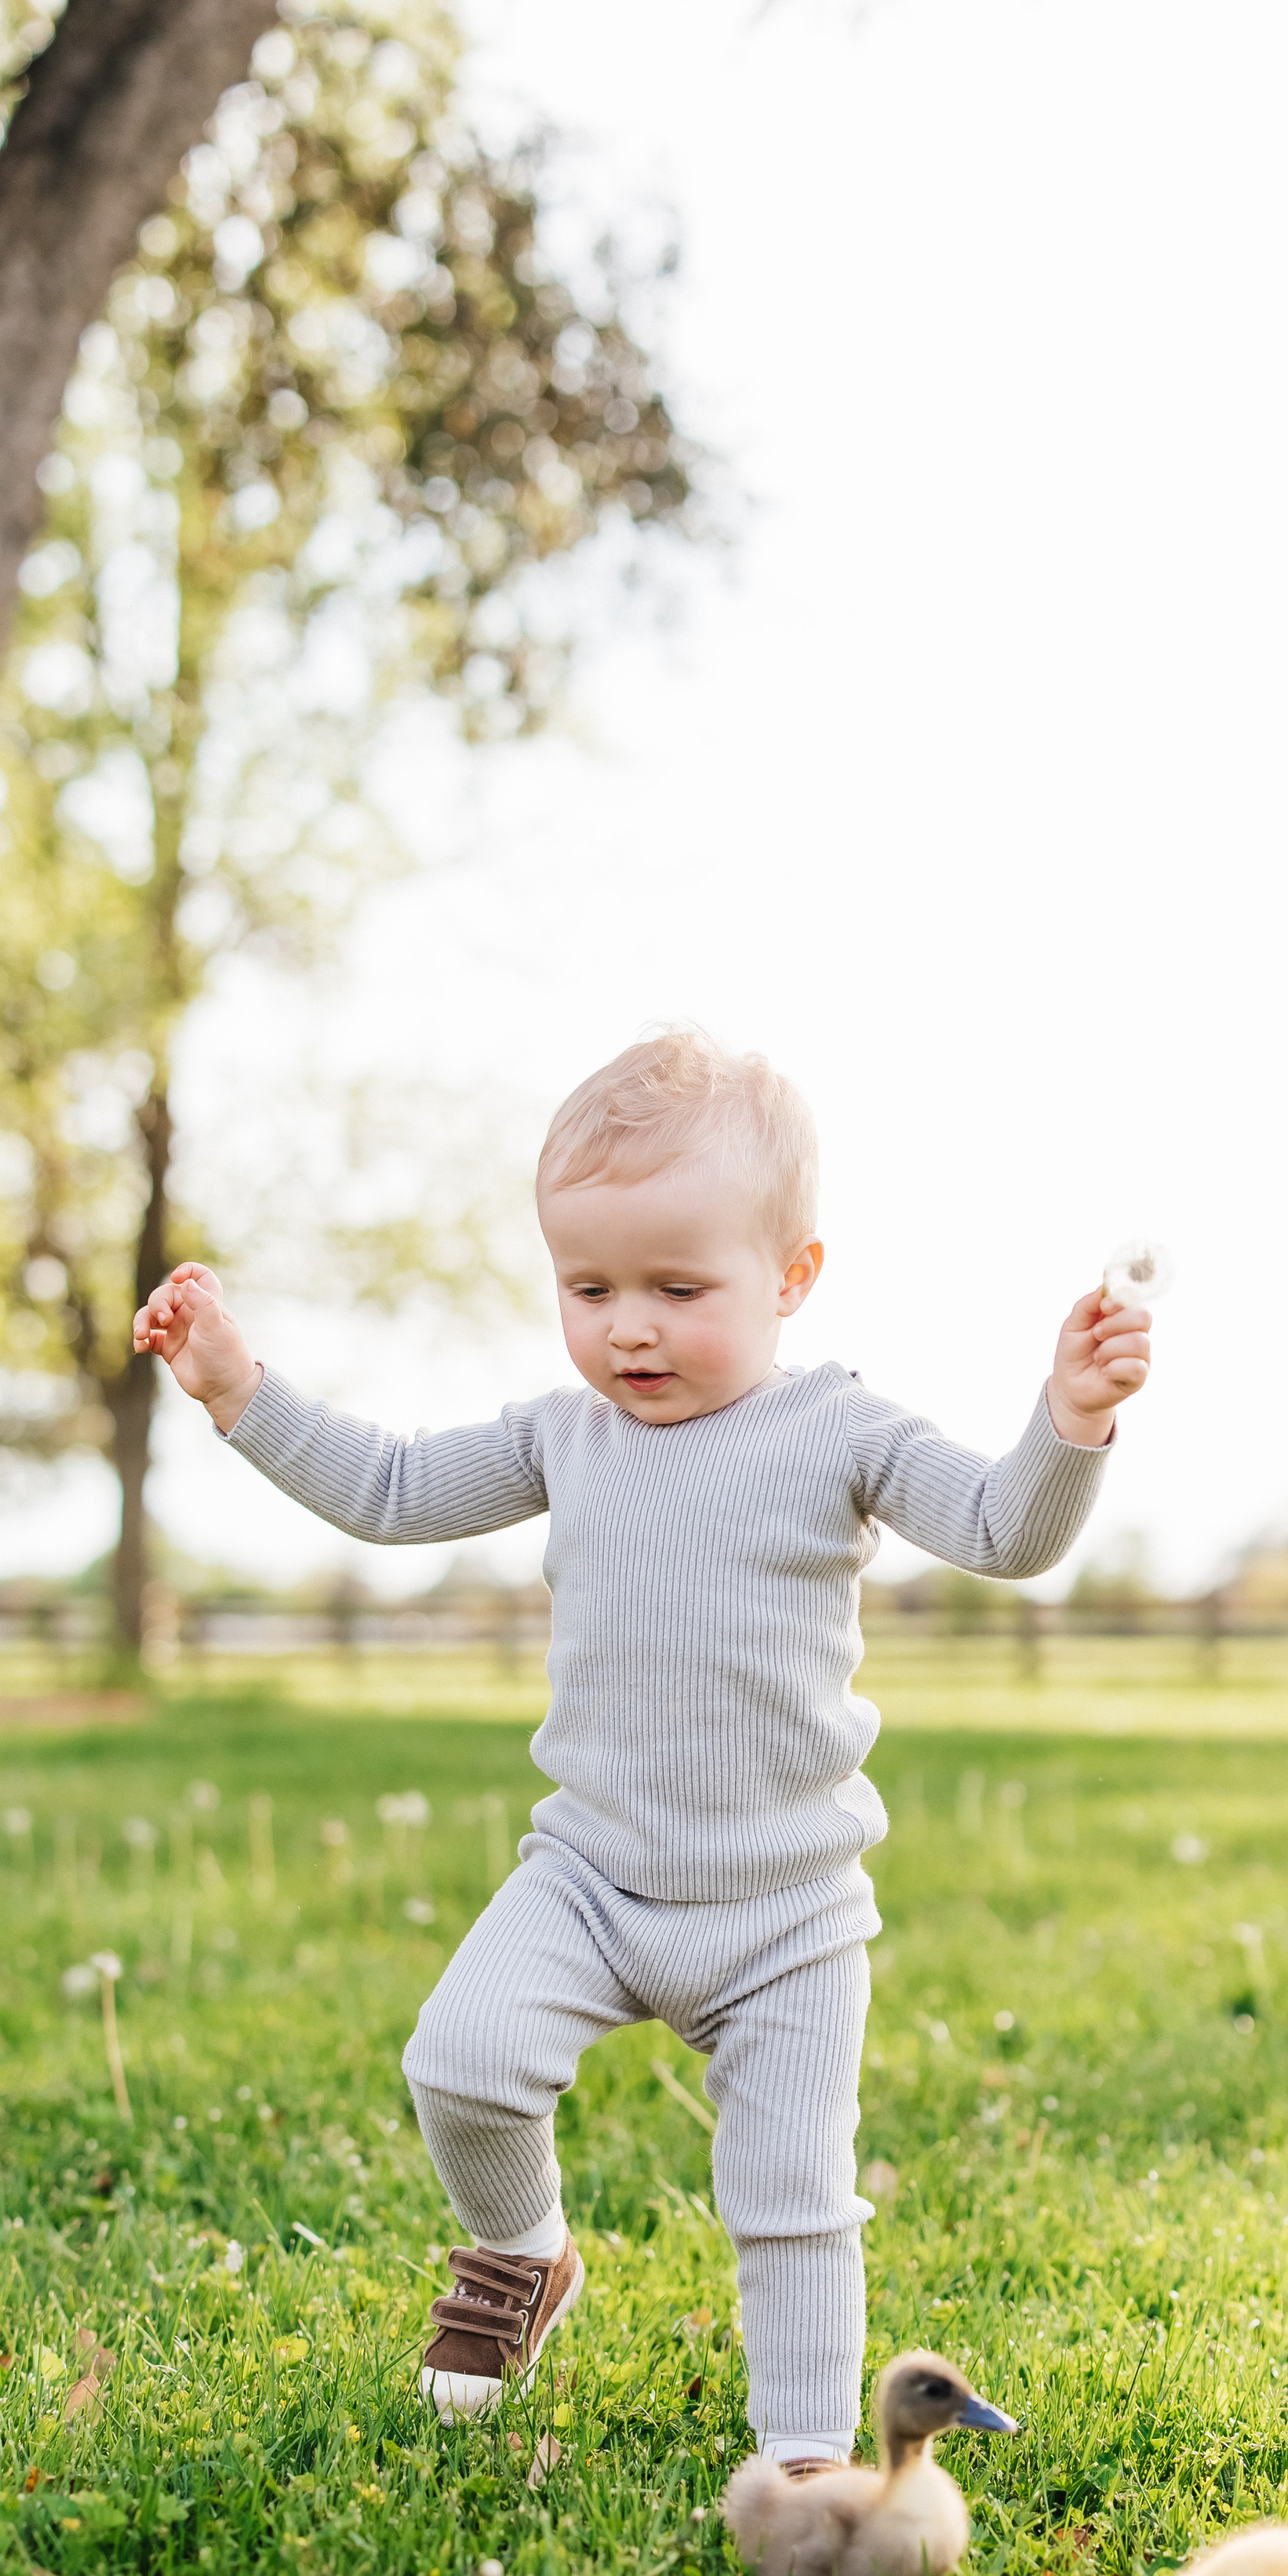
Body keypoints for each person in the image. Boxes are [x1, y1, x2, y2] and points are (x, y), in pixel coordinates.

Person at [133, 1028, 1152, 2469]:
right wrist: (242, 1388)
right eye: (589, 1287)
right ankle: (522, 2256)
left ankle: (806, 2461)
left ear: (792, 1277)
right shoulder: (568, 1436)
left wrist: (1070, 1424)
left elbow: (1003, 1531)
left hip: (788, 1912)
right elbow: (390, 1490)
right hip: (595, 1875)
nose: (629, 1328)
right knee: (461, 2061)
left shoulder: (840, 1430)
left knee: (792, 2192)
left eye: (680, 1289)